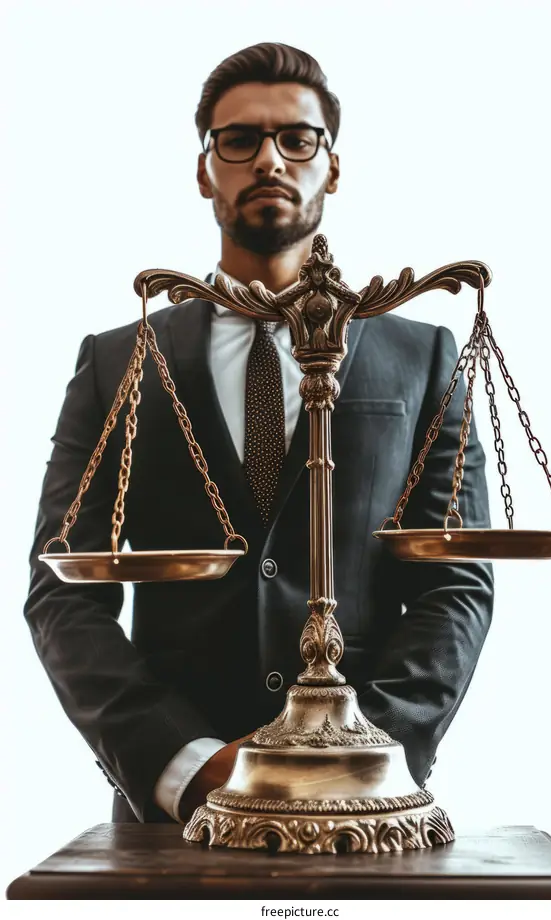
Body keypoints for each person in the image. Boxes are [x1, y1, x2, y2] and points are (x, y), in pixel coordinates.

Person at [24, 42, 494, 825]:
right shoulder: (118, 363)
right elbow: (62, 595)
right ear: (205, 168)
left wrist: (366, 757)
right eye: (239, 140)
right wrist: (181, 761)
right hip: (179, 820)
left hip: (366, 808)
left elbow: (457, 585)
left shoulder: (425, 357)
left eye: (296, 138)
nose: (269, 159)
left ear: (331, 167)